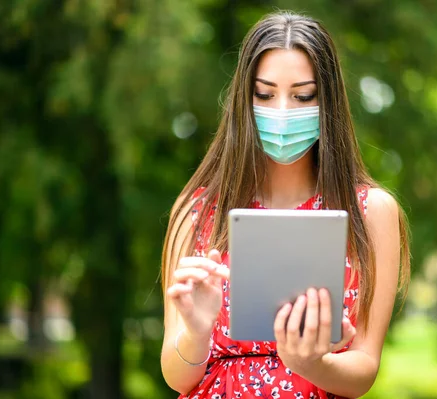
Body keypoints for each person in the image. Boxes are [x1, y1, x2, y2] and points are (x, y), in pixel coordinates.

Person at [160, 11, 410, 399]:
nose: (282, 112)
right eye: (264, 93)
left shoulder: (371, 212)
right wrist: (195, 331)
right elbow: (177, 377)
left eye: (302, 95)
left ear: (327, 101)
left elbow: (364, 369)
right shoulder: (195, 212)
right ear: (244, 99)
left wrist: (312, 363)